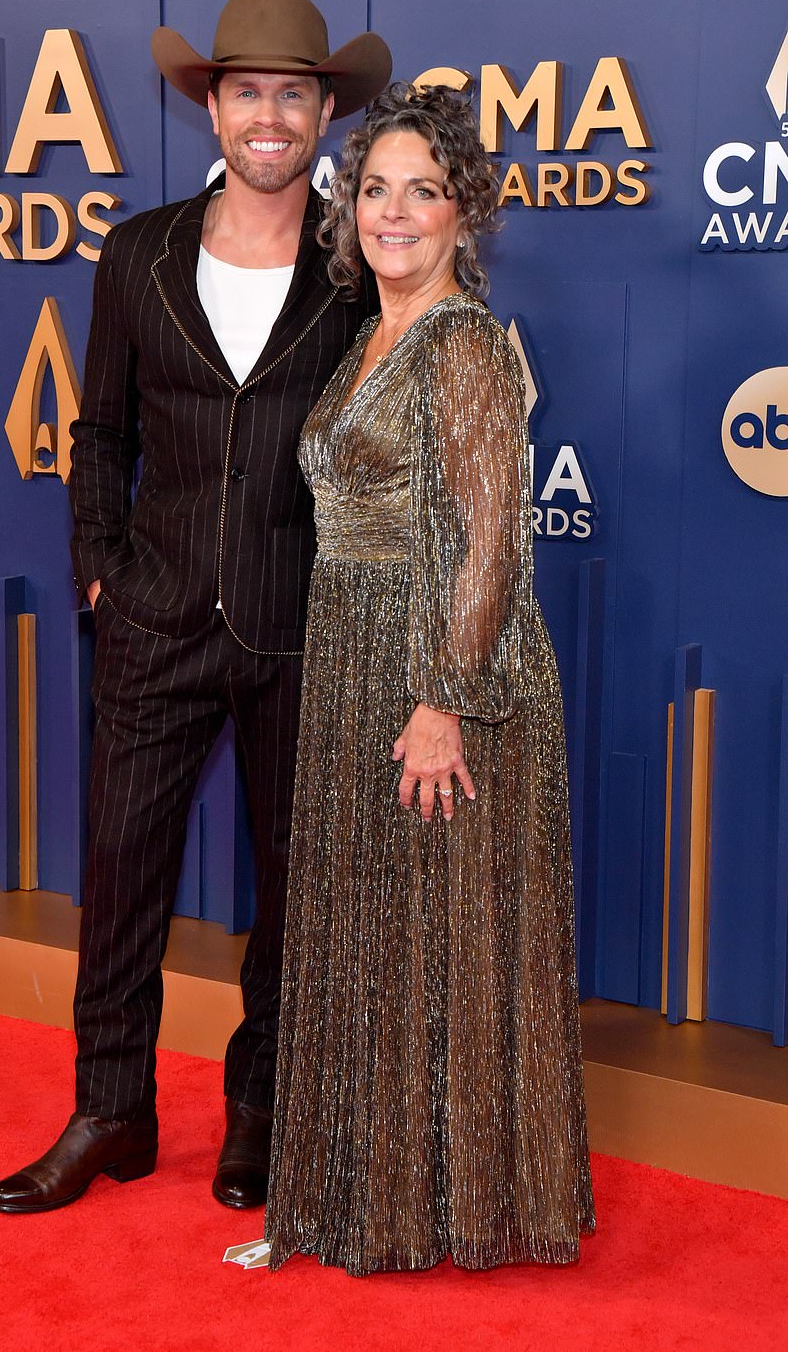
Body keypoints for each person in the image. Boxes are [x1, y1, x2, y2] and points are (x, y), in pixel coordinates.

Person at [0, 0, 391, 1216]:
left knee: (293, 886)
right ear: (210, 107)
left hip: (301, 622)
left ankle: (259, 1106)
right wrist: (100, 564)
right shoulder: (139, 249)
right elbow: (97, 427)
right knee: (117, 873)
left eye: (291, 93)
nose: (266, 115)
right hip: (153, 617)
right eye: (243, 91)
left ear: (322, 113)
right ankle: (110, 1109)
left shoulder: (356, 262)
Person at [264, 83, 596, 1274]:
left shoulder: (458, 344)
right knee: (378, 934)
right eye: (373, 189)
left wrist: (440, 705)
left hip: (437, 679)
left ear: (466, 214)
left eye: (422, 191)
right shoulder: (372, 332)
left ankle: (441, 1206)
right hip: (354, 656)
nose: (391, 213)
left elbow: (491, 541)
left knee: (434, 936)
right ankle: (371, 1191)